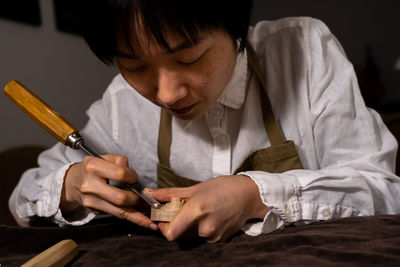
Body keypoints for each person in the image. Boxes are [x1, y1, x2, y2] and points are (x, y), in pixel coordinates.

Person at [9, 0, 400, 243]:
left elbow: (384, 191)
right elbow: (22, 199)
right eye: (134, 65)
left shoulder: (304, 51)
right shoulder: (121, 103)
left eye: (189, 59)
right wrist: (71, 186)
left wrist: (255, 195)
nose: (165, 94)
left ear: (233, 27)